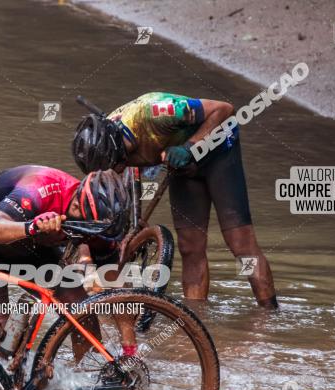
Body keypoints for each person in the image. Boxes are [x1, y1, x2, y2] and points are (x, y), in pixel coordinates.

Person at [72, 92, 278, 308]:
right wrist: (131, 223)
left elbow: (225, 109)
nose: (116, 170)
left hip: (218, 153)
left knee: (240, 243)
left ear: (117, 150)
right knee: (190, 246)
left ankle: (269, 316)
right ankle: (195, 318)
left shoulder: (155, 112)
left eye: (115, 164)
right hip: (181, 167)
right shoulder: (105, 147)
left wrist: (189, 147)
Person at [0, 165, 128, 312]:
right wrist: (32, 227)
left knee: (78, 308)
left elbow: (114, 284)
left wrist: (129, 346)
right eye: (86, 227)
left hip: (29, 245)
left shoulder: (101, 227)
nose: (89, 235)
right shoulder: (40, 185)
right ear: (75, 205)